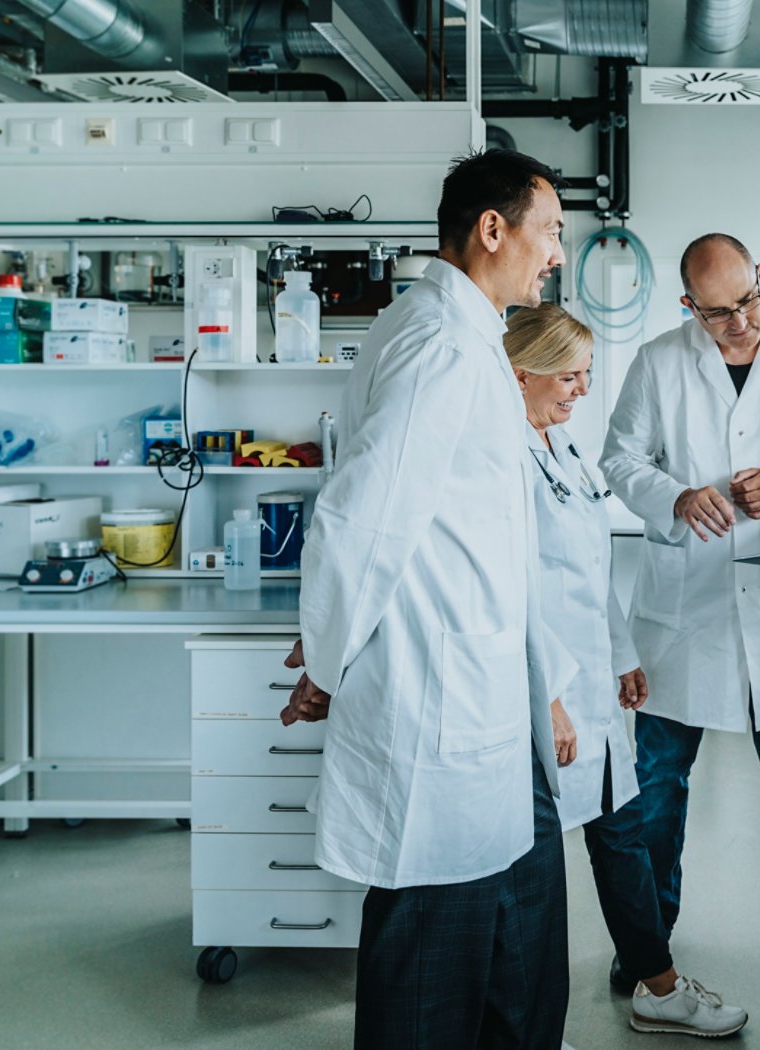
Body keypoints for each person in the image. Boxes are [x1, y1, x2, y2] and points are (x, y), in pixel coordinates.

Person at [278, 149, 577, 1049]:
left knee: (523, 963)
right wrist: (329, 662)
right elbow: (363, 522)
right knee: (430, 984)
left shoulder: (466, 335)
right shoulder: (440, 343)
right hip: (439, 713)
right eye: (551, 231)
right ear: (494, 229)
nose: (557, 253)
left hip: (486, 704)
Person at [600, 233, 760, 1003]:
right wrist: (674, 498)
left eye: (747, 301)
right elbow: (619, 460)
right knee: (659, 781)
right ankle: (649, 943)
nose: (738, 322)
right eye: (717, 313)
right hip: (686, 609)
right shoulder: (657, 361)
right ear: (690, 308)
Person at [506, 303, 749, 1038]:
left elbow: (586, 567)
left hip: (587, 685)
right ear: (521, 373)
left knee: (623, 832)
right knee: (533, 869)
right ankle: (529, 1021)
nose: (581, 390)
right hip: (540, 692)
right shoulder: (503, 457)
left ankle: (657, 985)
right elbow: (513, 586)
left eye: (585, 375)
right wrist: (547, 695)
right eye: (569, 376)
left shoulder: (562, 446)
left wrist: (620, 657)